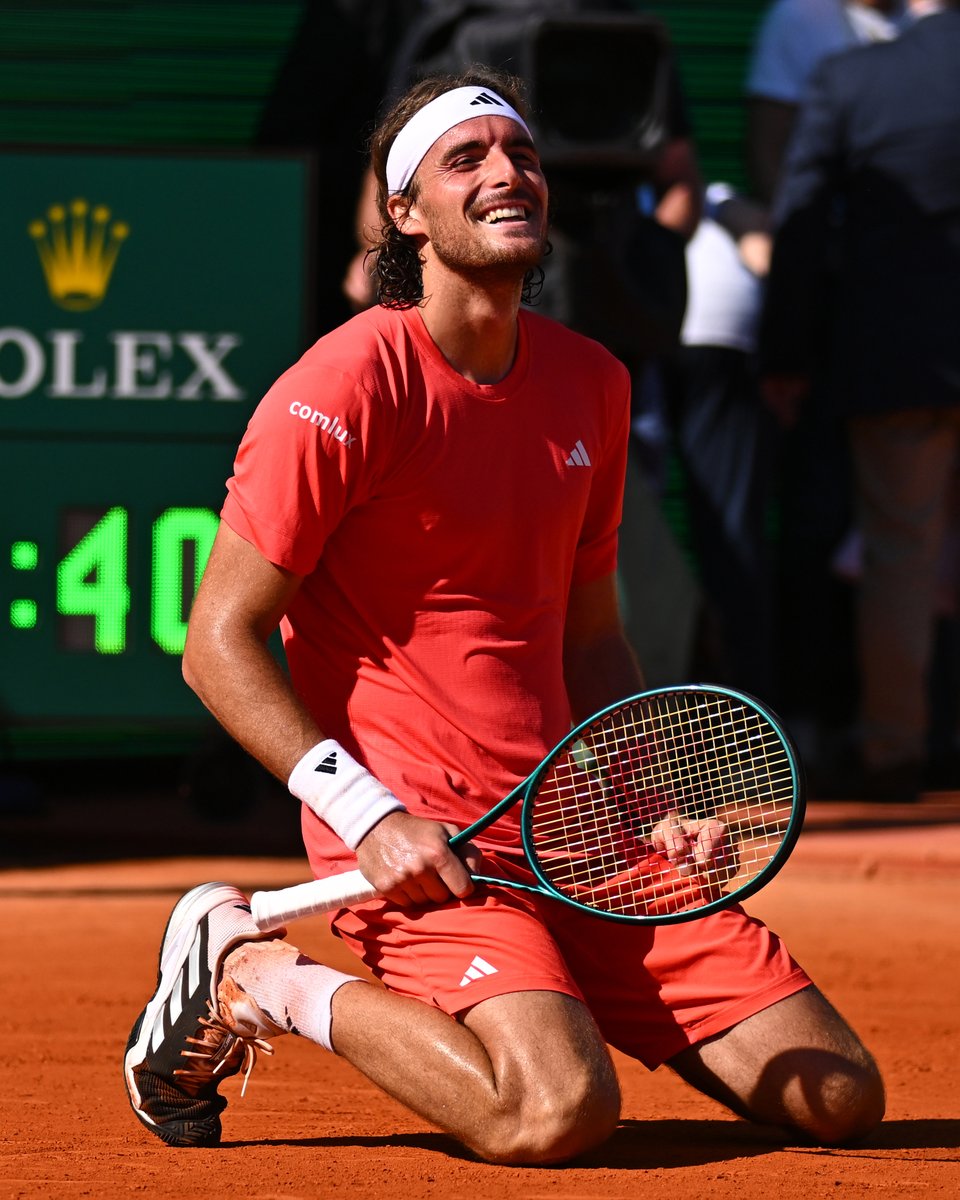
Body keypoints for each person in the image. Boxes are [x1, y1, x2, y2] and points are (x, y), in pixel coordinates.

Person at [123, 67, 884, 1164]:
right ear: (405, 213)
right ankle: (257, 978)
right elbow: (217, 645)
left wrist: (651, 799)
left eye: (519, 153)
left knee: (836, 1095)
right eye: (464, 159)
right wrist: (369, 814)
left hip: (581, 830)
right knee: (555, 1108)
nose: (505, 174)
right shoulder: (345, 385)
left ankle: (575, 981)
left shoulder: (593, 384)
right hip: (418, 831)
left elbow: (592, 638)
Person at [760, 0, 960, 801]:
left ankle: (893, 753)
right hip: (904, 362)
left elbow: (800, 224)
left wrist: (784, 355)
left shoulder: (857, 78)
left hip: (900, 363)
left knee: (901, 558)